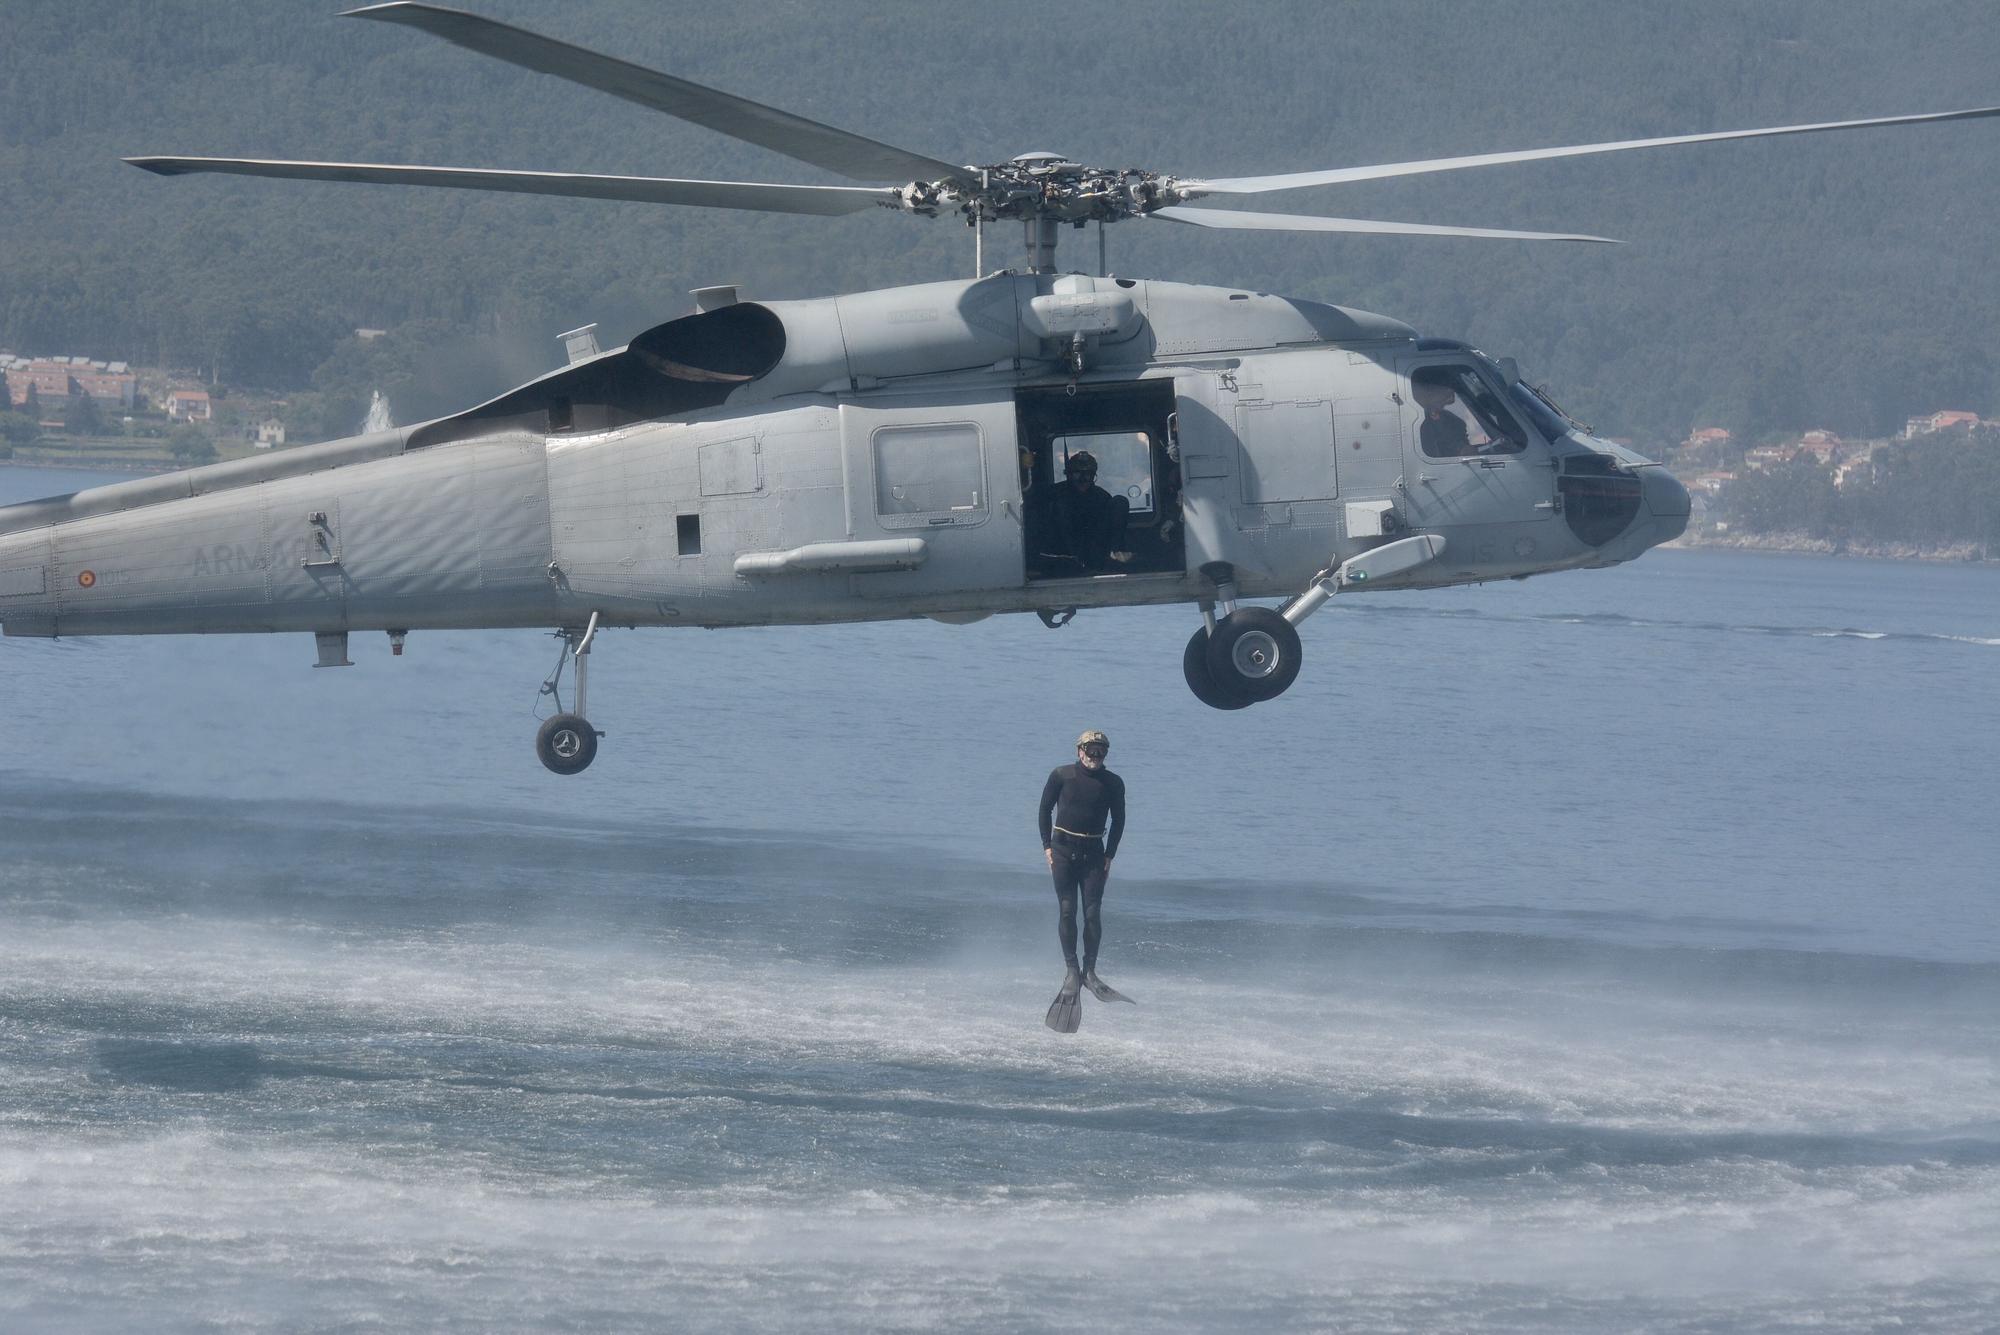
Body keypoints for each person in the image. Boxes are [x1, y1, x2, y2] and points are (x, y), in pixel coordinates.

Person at [1038, 729, 1131, 1027]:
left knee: (1092, 914)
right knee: (1068, 910)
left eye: (1101, 751)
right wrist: (1047, 847)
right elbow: (1043, 810)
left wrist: (1110, 854)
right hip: (1063, 849)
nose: (1095, 756)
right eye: (1090, 750)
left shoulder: (1113, 783)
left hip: (1094, 852)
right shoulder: (1061, 776)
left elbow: (1119, 820)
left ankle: (1089, 972)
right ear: (1079, 750)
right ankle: (1071, 971)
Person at [1045, 450, 1129, 571]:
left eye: (1088, 474)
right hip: (1061, 550)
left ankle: (1114, 555)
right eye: (1077, 473)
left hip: (1095, 549)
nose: (1083, 478)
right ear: (1068, 474)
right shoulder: (1054, 494)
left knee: (1120, 501)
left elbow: (1107, 528)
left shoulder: (1102, 496)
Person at [1411, 366, 1475, 457]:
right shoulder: (1413, 421)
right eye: (1447, 392)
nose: (1451, 400)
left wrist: (1461, 448)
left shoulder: (1452, 421)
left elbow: (1449, 438)